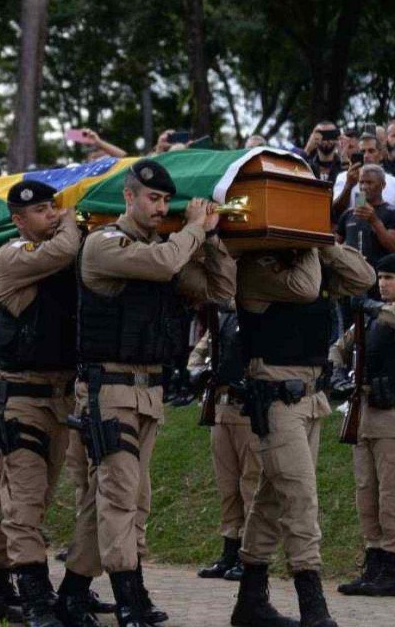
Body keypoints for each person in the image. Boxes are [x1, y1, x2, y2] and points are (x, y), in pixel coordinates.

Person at [75, 159, 235, 627]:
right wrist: (191, 230)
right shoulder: (104, 244)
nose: (160, 208)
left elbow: (220, 293)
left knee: (128, 499)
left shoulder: (169, 249)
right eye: (153, 199)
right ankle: (128, 600)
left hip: (148, 391)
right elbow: (163, 261)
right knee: (121, 496)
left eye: (167, 201)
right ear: (129, 197)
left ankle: (74, 591)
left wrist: (213, 240)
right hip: (111, 389)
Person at [230, 239, 373, 627]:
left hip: (310, 400)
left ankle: (250, 602)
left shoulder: (312, 259)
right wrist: (311, 248)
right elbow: (305, 289)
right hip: (276, 399)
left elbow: (364, 277)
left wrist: (325, 245)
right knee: (300, 499)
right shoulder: (256, 265)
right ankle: (313, 606)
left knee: (272, 500)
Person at [0, 180, 82, 627]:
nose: (52, 215)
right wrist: (74, 220)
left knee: (31, 502)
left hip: (59, 396)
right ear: (18, 220)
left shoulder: (60, 254)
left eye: (53, 207)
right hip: (22, 398)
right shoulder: (11, 256)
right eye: (41, 210)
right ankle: (38, 600)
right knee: (23, 503)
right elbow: (61, 252)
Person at [330, 253, 395, 599]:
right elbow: (338, 349)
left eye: (390, 278)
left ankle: (391, 570)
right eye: (380, 277)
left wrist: (371, 307)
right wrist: (338, 375)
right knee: (367, 495)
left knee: (392, 496)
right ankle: (372, 565)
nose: (383, 283)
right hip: (364, 416)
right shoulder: (369, 319)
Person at [190, 304, 259, 583]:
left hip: (248, 409)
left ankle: (250, 553)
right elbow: (200, 350)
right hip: (221, 407)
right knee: (227, 486)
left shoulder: (258, 312)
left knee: (251, 485)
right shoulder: (223, 316)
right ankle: (229, 550)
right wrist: (197, 371)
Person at [336, 165, 395, 269]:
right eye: (361, 182)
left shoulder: (394, 213)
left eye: (369, 183)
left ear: (383, 185)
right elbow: (335, 245)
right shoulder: (348, 213)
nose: (364, 187)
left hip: (380, 275)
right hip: (352, 276)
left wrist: (375, 221)